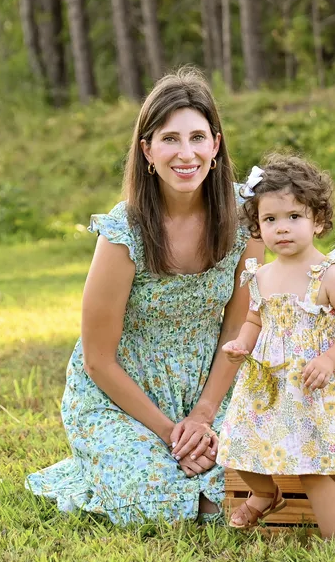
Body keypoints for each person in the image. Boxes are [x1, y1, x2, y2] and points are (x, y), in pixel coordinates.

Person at [26, 68, 265, 524]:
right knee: (153, 497)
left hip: (213, 383)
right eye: (170, 139)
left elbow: (240, 327)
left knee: (247, 476)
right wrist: (173, 433)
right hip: (124, 393)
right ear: (148, 151)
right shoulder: (124, 231)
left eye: (197, 137)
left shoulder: (246, 219)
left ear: (215, 146)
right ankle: (109, 466)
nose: (186, 153)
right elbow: (99, 359)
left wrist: (205, 414)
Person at [215, 154, 335, 538]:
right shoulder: (262, 275)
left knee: (312, 469)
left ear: (317, 221)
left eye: (294, 217)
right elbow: (256, 319)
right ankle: (264, 494)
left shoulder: (330, 275)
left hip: (312, 386)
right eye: (270, 220)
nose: (281, 229)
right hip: (266, 387)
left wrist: (329, 360)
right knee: (238, 448)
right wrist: (241, 343)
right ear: (258, 226)